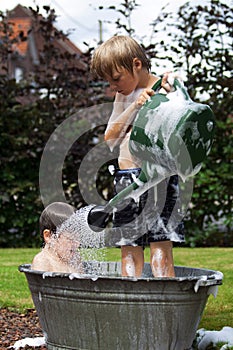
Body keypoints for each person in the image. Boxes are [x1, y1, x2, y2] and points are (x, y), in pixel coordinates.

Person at [90, 35, 184, 278]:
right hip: (126, 180)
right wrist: (134, 106)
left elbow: (182, 128)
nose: (113, 86)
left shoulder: (166, 89)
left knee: (160, 247)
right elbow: (110, 139)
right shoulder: (123, 97)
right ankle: (131, 307)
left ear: (136, 64)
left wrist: (173, 92)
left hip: (158, 180)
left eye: (116, 78)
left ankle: (165, 309)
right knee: (129, 247)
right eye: (109, 81)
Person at [31, 202, 83, 273]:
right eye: (70, 239)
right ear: (48, 236)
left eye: (78, 239)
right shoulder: (43, 261)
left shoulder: (75, 259)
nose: (77, 244)